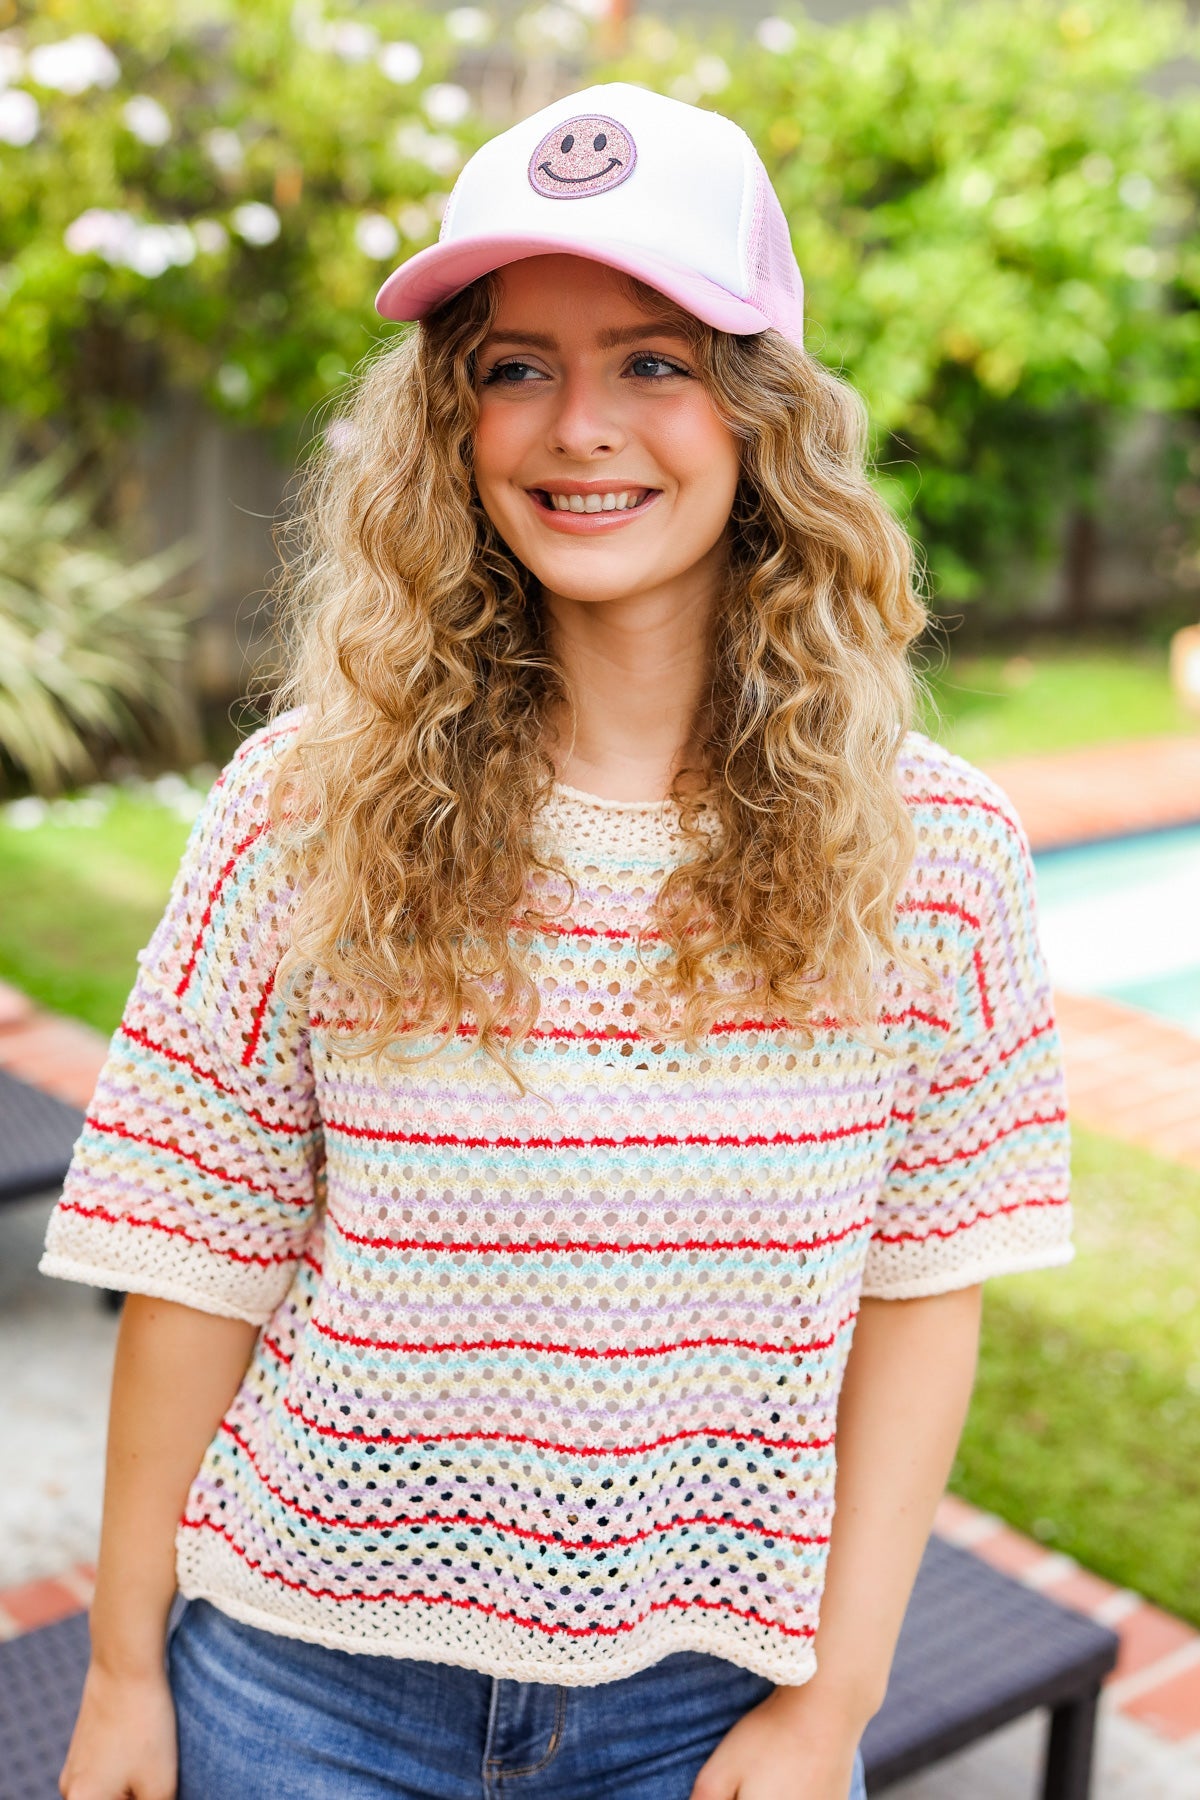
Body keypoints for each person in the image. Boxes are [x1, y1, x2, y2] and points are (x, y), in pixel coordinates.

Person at [42, 82, 1073, 1800]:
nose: (579, 425)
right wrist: (126, 1671)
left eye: (654, 361)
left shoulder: (938, 853)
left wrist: (834, 1708)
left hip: (705, 1712)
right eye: (517, 366)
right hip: (299, 1691)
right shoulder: (302, 806)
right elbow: (192, 1255)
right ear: (454, 423)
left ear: (763, 416)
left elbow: (921, 1299)